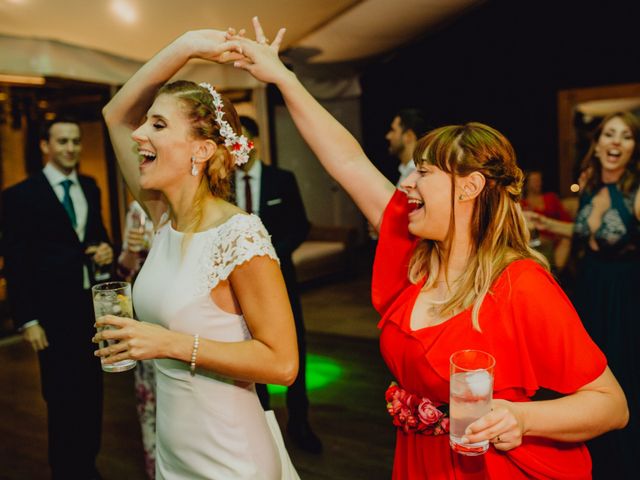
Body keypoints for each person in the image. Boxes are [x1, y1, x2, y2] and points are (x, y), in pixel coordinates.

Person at [227, 19, 629, 478]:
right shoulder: (412, 253)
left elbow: (611, 405)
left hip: (495, 468)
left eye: (425, 173)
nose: (409, 183)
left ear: (470, 187)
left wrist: (523, 417)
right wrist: (283, 78)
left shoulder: (521, 285)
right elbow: (346, 160)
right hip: (418, 462)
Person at [97, 29, 299, 479]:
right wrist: (186, 46)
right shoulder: (163, 220)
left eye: (158, 125)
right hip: (174, 448)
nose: (139, 134)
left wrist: (168, 343)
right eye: (147, 121)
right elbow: (113, 114)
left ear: (202, 151)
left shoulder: (240, 235)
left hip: (230, 455)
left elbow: (282, 363)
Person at [528, 111, 640, 478]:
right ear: (598, 143)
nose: (616, 142)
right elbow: (581, 231)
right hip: (590, 288)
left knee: (624, 371)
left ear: (633, 147)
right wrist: (545, 224)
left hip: (625, 293)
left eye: (625, 136)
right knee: (587, 373)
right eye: (610, 134)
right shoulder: (590, 183)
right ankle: (593, 451)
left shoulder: (636, 191)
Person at [1, 117, 113, 479]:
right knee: (62, 397)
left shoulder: (91, 186)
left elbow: (97, 235)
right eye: (63, 141)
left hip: (89, 308)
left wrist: (106, 251)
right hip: (51, 312)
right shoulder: (20, 196)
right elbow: (15, 261)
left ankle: (89, 464)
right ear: (45, 146)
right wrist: (28, 320)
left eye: (76, 141)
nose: (71, 148)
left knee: (92, 393)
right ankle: (66, 470)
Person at [235, 115, 322, 453]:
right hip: (237, 286)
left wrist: (271, 257)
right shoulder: (222, 184)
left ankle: (300, 422)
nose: (236, 148)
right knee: (247, 346)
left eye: (242, 140)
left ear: (254, 141)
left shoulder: (281, 180)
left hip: (281, 281)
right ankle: (261, 422)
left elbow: (300, 226)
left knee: (293, 346)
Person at [116, 200, 156, 479]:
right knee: (151, 405)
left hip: (186, 325)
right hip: (147, 320)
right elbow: (124, 273)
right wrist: (131, 251)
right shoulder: (137, 211)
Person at [520, 170, 572, 270]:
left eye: (539, 180)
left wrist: (558, 233)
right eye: (534, 180)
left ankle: (555, 272)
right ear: (527, 183)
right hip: (534, 241)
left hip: (555, 238)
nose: (538, 183)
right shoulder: (522, 203)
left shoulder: (551, 198)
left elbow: (566, 220)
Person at [385, 108, 429, 187]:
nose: (388, 136)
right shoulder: (406, 170)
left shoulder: (421, 174)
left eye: (393, 130)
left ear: (409, 136)